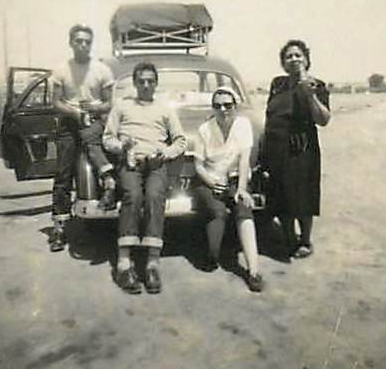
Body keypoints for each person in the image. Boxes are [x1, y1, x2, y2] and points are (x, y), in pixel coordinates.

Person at [103, 62, 187, 294]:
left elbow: (181, 140)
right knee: (132, 195)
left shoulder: (165, 109)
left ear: (156, 83)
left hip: (156, 164)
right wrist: (122, 146)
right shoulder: (122, 106)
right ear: (135, 83)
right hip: (130, 162)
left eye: (151, 81)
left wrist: (165, 153)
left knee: (154, 196)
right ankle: (123, 264)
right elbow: (107, 139)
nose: (146, 85)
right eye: (142, 81)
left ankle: (152, 264)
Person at [261, 39, 330, 259]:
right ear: (283, 62)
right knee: (281, 194)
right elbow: (270, 114)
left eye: (298, 55)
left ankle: (305, 240)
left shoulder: (316, 85)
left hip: (301, 147)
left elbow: (323, 119)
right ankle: (289, 238)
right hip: (276, 146)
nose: (293, 59)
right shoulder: (277, 84)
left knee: (303, 195)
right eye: (288, 56)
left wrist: (309, 95)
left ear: (306, 60)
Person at [50, 24, 116, 252]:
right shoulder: (61, 70)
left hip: (95, 121)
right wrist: (75, 112)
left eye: (87, 41)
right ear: (71, 43)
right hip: (69, 123)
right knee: (63, 175)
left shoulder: (102, 70)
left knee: (98, 151)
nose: (83, 45)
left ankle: (107, 187)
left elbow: (110, 103)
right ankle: (59, 228)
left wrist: (94, 109)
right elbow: (56, 102)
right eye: (78, 41)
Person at [193, 87, 264, 292]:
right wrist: (212, 183)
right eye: (217, 106)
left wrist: (242, 189)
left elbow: (244, 160)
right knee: (217, 212)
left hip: (234, 179)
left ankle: (253, 271)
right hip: (208, 179)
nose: (223, 110)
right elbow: (198, 166)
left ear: (235, 106)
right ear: (213, 108)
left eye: (227, 105)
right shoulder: (204, 129)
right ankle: (212, 255)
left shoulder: (243, 125)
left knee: (243, 209)